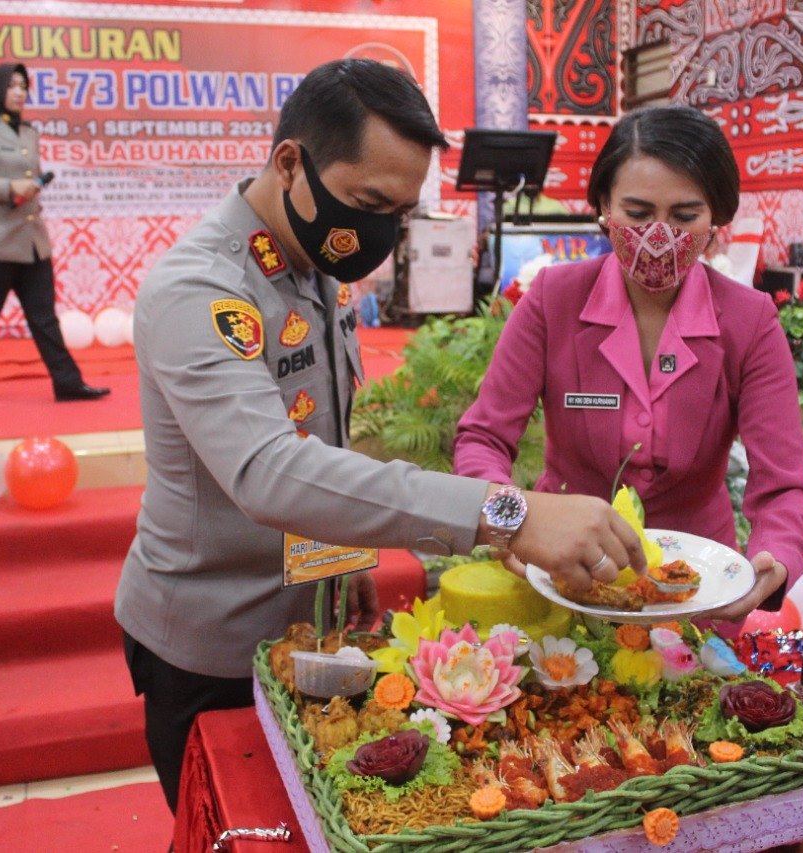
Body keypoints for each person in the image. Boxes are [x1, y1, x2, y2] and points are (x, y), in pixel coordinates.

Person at [113, 58, 647, 814]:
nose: (381, 233)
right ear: (290, 162)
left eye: (399, 212)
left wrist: (337, 552)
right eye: (368, 203)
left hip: (307, 627)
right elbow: (269, 470)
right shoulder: (200, 291)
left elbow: (315, 436)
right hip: (214, 647)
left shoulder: (314, 262)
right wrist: (509, 512)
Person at [453, 105, 803, 624]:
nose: (659, 236)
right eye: (639, 214)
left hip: (694, 590)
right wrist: (509, 522)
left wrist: (774, 555)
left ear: (717, 217)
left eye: (685, 217)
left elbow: (782, 481)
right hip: (565, 580)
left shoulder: (749, 320)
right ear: (603, 205)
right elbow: (484, 438)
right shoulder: (554, 300)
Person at [0, 62, 109, 404]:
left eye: (24, 86)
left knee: (44, 317)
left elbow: (27, 176)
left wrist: (31, 187)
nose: (20, 92)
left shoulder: (28, 131)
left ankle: (68, 383)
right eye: (12, 86)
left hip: (32, 240)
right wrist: (10, 187)